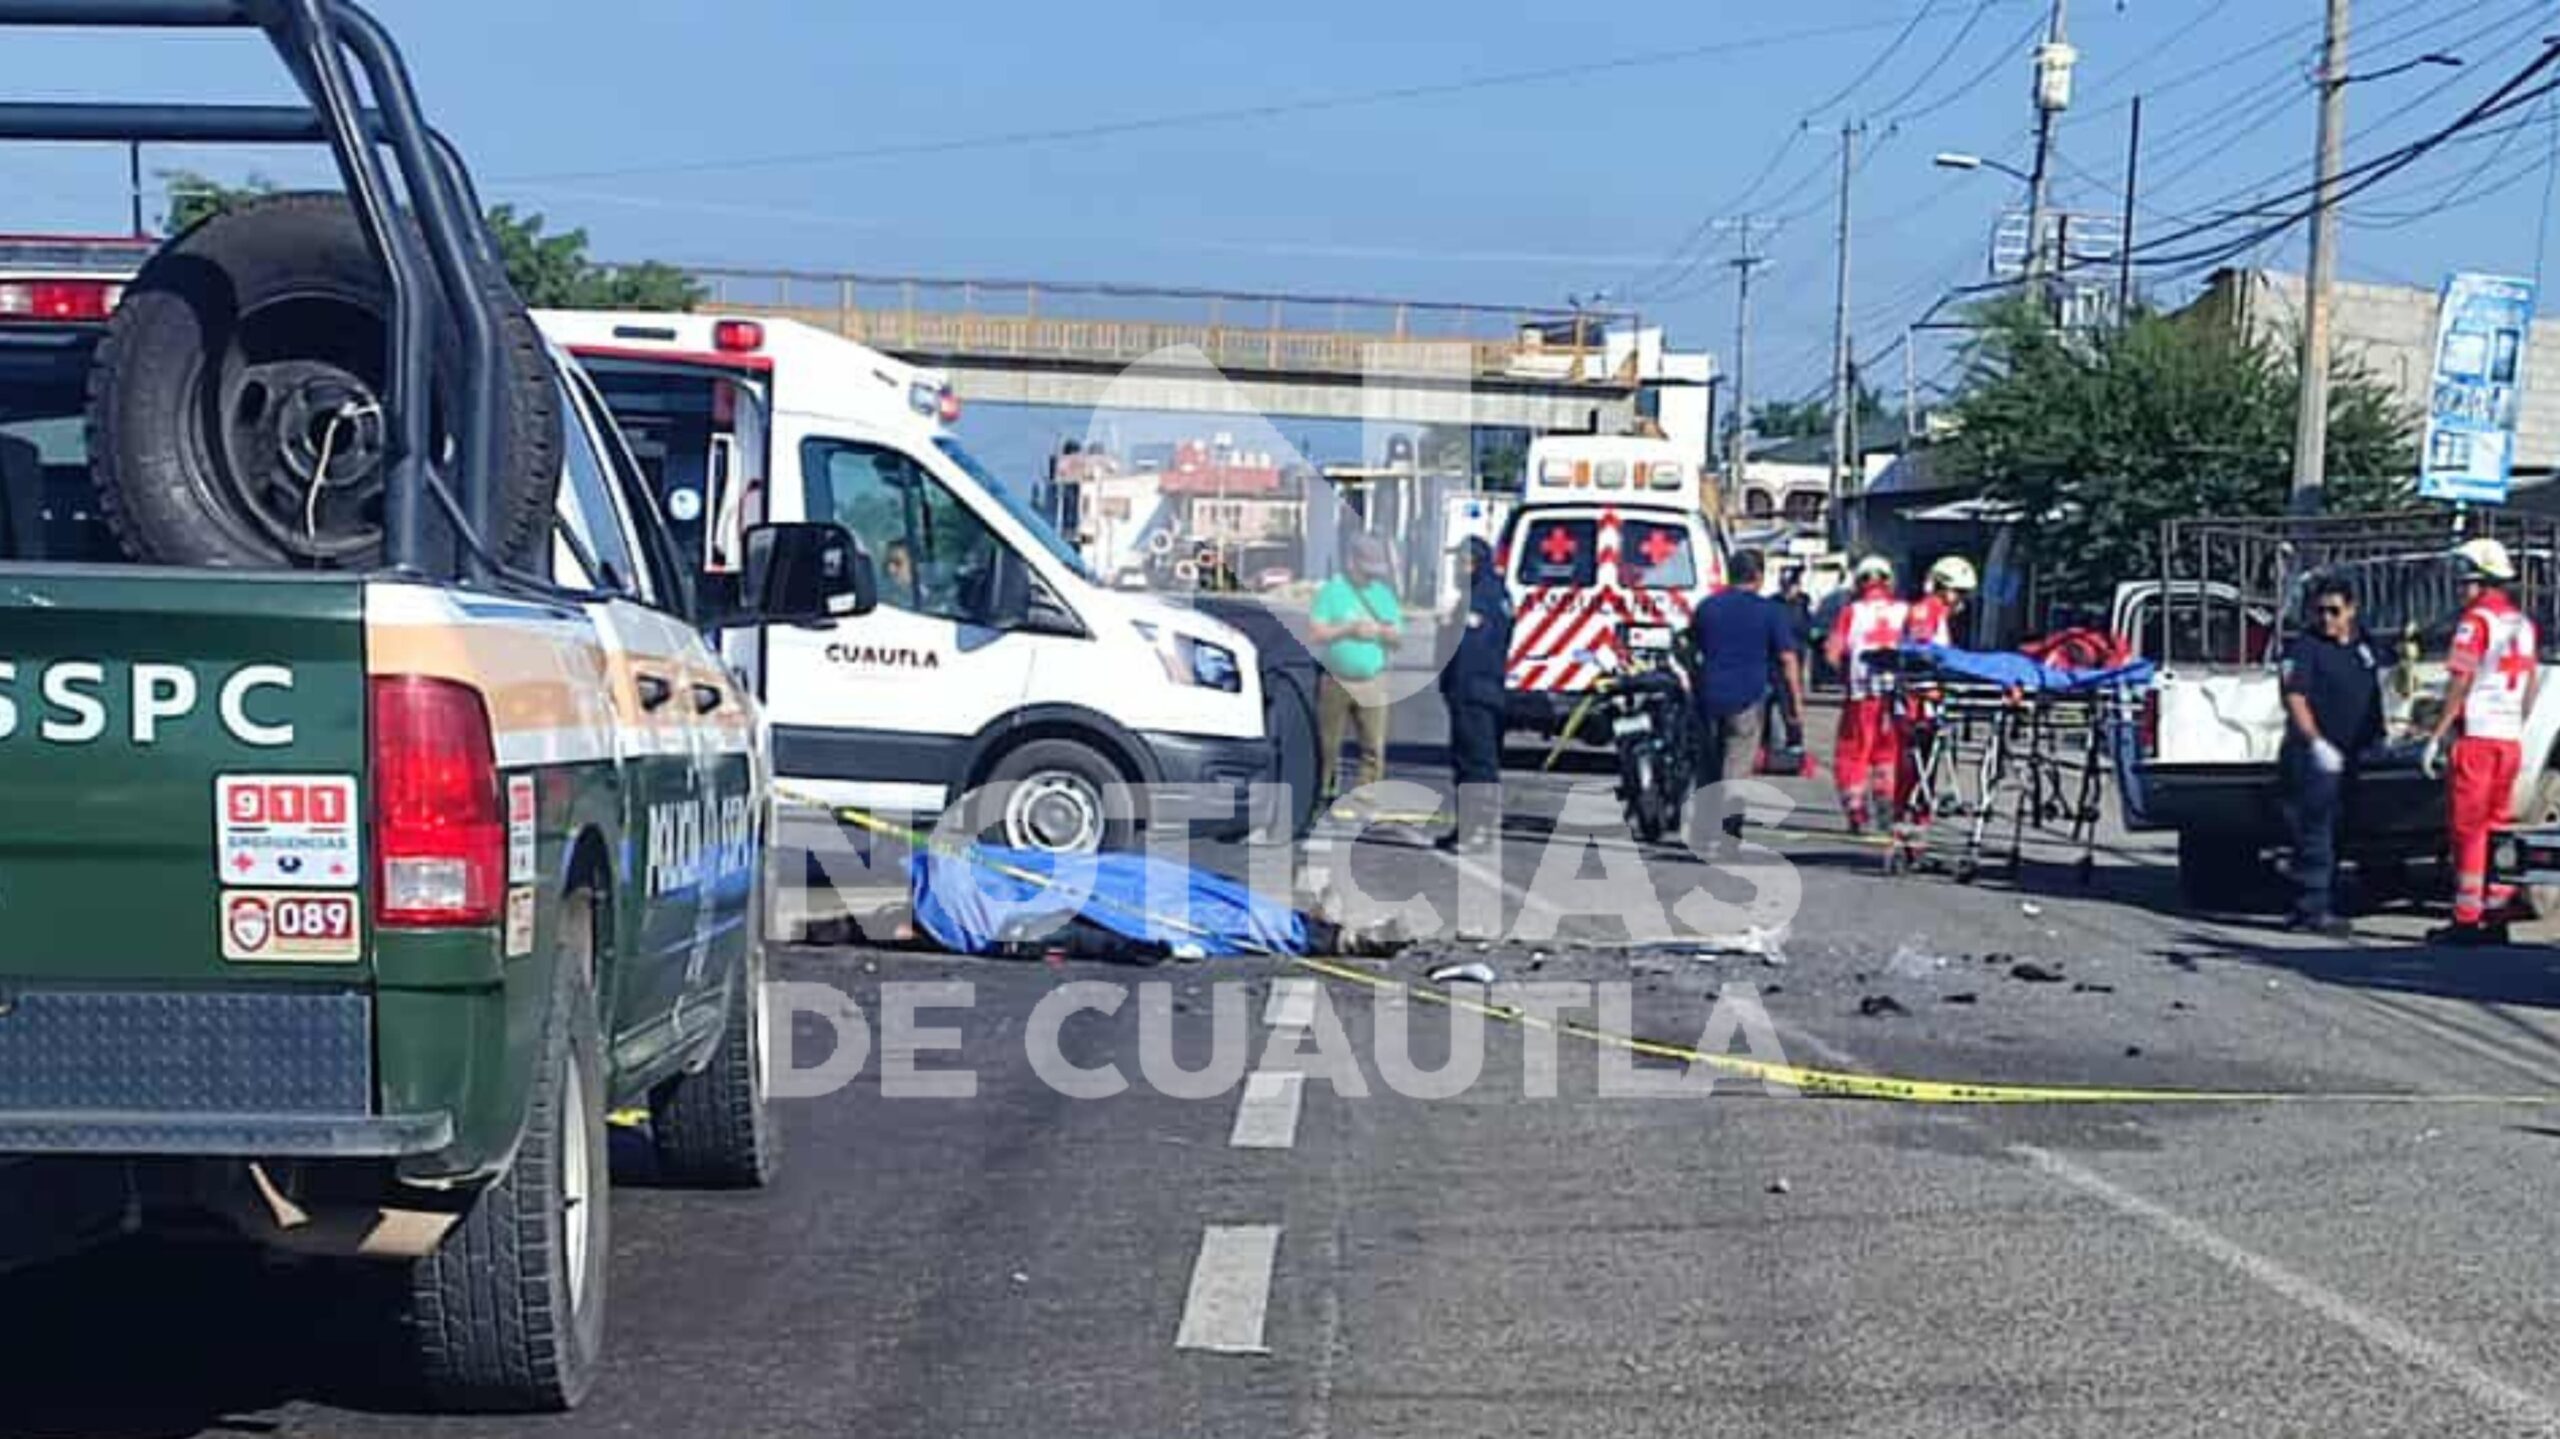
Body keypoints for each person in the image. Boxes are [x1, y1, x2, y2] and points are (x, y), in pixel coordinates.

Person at [2424, 537, 2538, 946]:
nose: (2459, 589)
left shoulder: (2476, 622)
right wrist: (2514, 722)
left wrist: (2437, 734)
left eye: (2464, 580)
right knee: (2497, 824)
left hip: (2476, 738)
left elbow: (2461, 679)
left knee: (2468, 829)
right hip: (2509, 740)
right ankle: (2497, 908)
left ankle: (2467, 916)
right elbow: (2529, 684)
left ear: (2480, 581)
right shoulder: (2522, 624)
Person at [2277, 578, 2384, 938]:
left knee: (2339, 831)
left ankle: (2317, 902)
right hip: (2316, 755)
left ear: (2351, 610)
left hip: (2353, 754)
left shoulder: (2364, 644)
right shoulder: (2306, 647)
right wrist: (2315, 742)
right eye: (2320, 611)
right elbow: (2295, 697)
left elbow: (2385, 678)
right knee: (2315, 834)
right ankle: (2312, 909)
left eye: (2334, 611)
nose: (2326, 619)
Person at [1689, 548, 1805, 850]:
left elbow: (1691, 649)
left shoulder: (1707, 607)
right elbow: (1787, 659)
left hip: (1707, 695)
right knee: (1737, 762)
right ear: (1758, 576)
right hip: (1748, 696)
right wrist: (1795, 704)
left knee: (1708, 763)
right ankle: (1730, 829)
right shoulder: (1770, 612)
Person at [1309, 532, 1403, 807]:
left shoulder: (1383, 595)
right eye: (1367, 567)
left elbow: (1397, 638)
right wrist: (1348, 629)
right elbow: (1316, 633)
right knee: (1327, 744)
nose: (1372, 574)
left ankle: (1366, 797)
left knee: (1373, 746)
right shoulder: (1332, 592)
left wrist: (1383, 632)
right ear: (1352, 562)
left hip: (1372, 679)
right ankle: (1323, 792)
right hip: (1335, 678)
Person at [1436, 536, 1512, 852]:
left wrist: (1454, 686)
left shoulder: (1483, 598)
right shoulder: (1484, 594)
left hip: (1476, 692)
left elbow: (1469, 652)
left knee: (1478, 764)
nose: (1457, 567)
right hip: (1475, 691)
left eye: (1463, 562)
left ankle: (1477, 831)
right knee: (1466, 762)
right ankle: (1465, 827)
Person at [1824, 555, 1909, 833]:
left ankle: (1856, 809)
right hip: (1899, 693)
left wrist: (1842, 670)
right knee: (1890, 750)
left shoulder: (1851, 612)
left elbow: (1832, 653)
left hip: (1861, 694)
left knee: (1853, 752)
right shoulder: (1904, 611)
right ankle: (1886, 797)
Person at [1896, 556, 1978, 818]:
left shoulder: (1937, 614)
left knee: (1924, 775)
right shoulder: (1926, 611)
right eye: (1959, 593)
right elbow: (1919, 656)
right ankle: (1908, 836)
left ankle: (1915, 835)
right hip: (1918, 706)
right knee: (1915, 774)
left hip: (1928, 701)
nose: (1961, 600)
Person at [1761, 567, 1814, 769]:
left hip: (1795, 659)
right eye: (1786, 585)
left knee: (1791, 704)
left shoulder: (1802, 603)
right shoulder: (1771, 603)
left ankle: (1795, 744)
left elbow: (1807, 629)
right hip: (1771, 660)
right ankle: (1764, 746)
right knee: (1765, 705)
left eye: (1792, 585)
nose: (1789, 589)